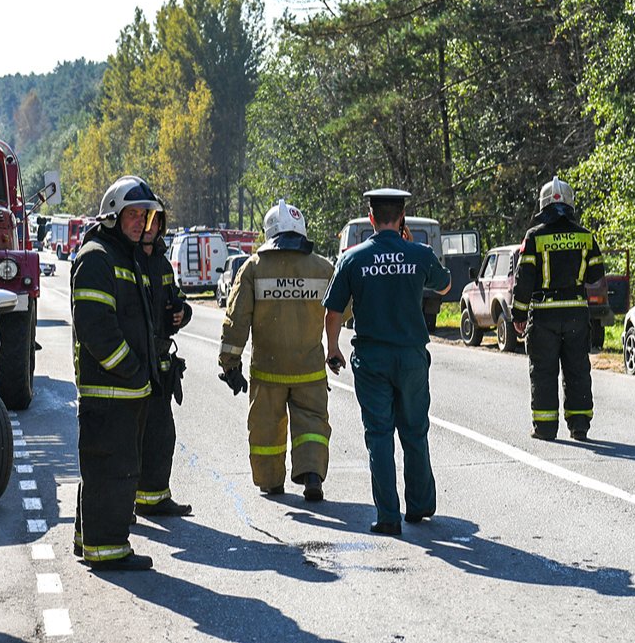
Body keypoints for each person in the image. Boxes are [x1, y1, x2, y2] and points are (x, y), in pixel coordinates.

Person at [323, 188, 451, 536]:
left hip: (372, 358)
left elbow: (333, 309)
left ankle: (388, 517)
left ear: (370, 219)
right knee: (414, 431)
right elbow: (444, 286)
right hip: (410, 358)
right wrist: (412, 252)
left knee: (379, 435)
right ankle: (421, 505)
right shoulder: (420, 254)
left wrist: (332, 347)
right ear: (402, 217)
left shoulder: (353, 258)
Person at [70, 175, 162, 571]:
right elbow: (97, 330)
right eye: (133, 215)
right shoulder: (98, 257)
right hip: (111, 390)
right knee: (113, 469)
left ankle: (86, 539)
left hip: (126, 390)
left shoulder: (126, 256)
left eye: (146, 216)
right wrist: (133, 371)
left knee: (102, 468)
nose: (141, 223)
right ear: (113, 214)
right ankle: (108, 550)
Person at [219, 200, 335, 502]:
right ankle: (312, 475)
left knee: (266, 429)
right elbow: (342, 309)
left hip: (267, 371)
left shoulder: (253, 268)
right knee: (311, 422)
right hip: (309, 369)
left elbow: (237, 318)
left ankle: (271, 481)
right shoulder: (323, 268)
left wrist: (230, 364)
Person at [510, 177, 605, 442]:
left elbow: (524, 279)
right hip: (576, 314)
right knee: (577, 370)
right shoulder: (585, 236)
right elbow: (596, 274)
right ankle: (579, 427)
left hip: (543, 318)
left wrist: (518, 315)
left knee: (543, 371)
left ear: (543, 206)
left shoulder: (535, 237)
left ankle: (545, 428)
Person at [134, 204, 193, 517]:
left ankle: (153, 498)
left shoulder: (162, 264)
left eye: (155, 222)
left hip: (159, 362)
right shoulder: (126, 260)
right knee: (132, 436)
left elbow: (176, 301)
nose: (149, 227)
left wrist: (181, 314)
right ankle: (128, 499)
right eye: (144, 221)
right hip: (132, 364)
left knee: (161, 434)